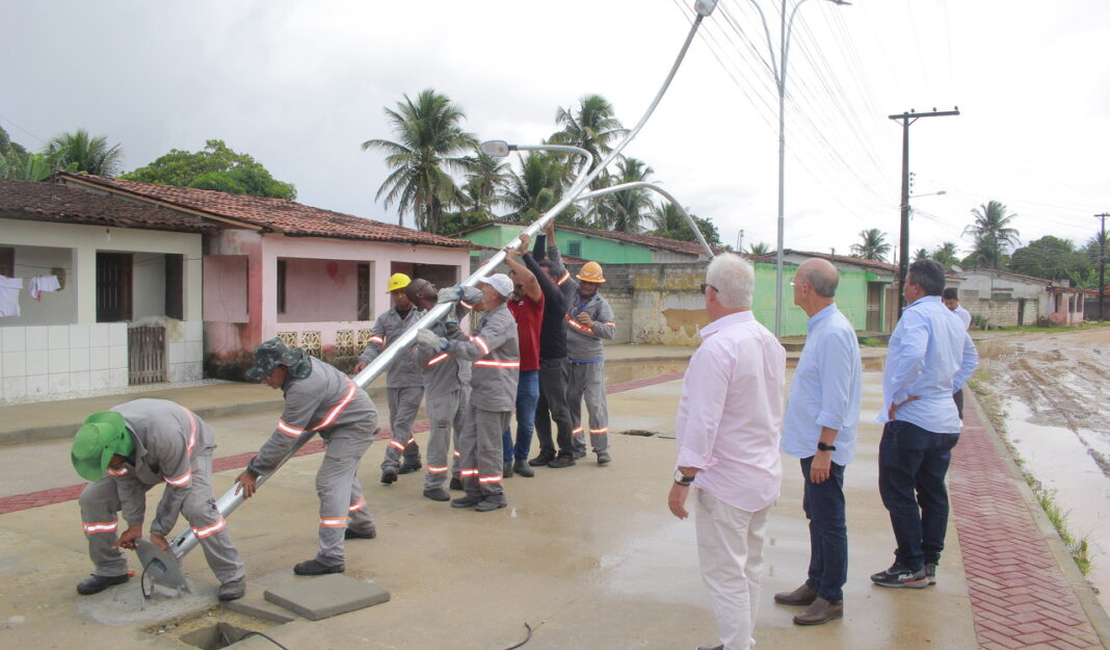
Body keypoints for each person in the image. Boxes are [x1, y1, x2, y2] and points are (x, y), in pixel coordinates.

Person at [667, 254, 786, 650]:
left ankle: (737, 644)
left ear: (711, 294)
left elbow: (702, 424)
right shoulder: (768, 341)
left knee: (725, 574)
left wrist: (683, 479)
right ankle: (740, 641)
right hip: (760, 476)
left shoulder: (718, 349)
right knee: (748, 567)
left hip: (728, 483)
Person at [71, 399, 246, 600]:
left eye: (104, 463)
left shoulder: (165, 435)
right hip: (143, 452)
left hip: (189, 450)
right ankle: (110, 569)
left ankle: (232, 576)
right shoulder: (102, 436)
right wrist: (134, 525)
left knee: (198, 509)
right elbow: (127, 483)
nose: (103, 467)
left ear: (115, 449)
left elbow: (179, 486)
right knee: (92, 499)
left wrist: (158, 531)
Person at [872, 260, 977, 589]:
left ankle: (910, 565)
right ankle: (929, 563)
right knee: (933, 492)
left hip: (914, 419)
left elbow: (914, 355)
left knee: (897, 491)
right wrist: (946, 386)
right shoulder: (952, 318)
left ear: (915, 286)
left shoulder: (916, 314)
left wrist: (900, 395)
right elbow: (971, 358)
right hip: (944, 420)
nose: (903, 287)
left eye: (905, 282)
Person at [236, 338, 379, 575]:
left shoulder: (303, 388)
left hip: (354, 426)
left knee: (330, 482)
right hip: (346, 422)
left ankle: (331, 557)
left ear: (283, 367)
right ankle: (363, 525)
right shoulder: (301, 366)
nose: (265, 380)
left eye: (268, 374)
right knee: (344, 477)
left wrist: (253, 470)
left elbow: (284, 438)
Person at [774, 259, 862, 626]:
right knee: (817, 516)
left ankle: (831, 596)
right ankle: (816, 582)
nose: (793, 287)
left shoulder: (834, 333)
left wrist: (825, 450)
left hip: (822, 449)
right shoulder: (822, 328)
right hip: (813, 446)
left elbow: (837, 399)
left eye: (795, 282)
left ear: (807, 288)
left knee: (829, 521)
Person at [417, 274, 519, 512]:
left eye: (485, 286)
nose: (481, 289)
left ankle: (494, 495)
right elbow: (469, 340)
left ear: (494, 292)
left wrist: (441, 344)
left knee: (489, 447)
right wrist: (456, 306)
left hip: (496, 393)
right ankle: (473, 491)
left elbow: (474, 350)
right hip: (480, 389)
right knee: (469, 443)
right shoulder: (489, 315)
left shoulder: (501, 320)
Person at [406, 278, 478, 501]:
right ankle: (434, 484)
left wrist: (457, 291)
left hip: (462, 382)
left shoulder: (450, 309)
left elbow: (477, 297)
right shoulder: (418, 324)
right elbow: (418, 362)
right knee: (440, 437)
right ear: (419, 294)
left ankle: (460, 475)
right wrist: (430, 343)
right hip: (441, 388)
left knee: (464, 435)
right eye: (428, 284)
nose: (434, 285)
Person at [546, 238, 616, 466]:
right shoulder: (572, 293)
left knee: (596, 407)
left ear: (598, 286)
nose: (586, 285)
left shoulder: (602, 305)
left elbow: (610, 333)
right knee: (571, 406)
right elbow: (558, 265)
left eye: (591, 283)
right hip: (569, 362)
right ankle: (577, 446)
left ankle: (602, 450)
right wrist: (551, 235)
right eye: (584, 281)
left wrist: (593, 325)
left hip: (592, 362)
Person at [356, 272, 425, 485]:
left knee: (402, 422)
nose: (399, 296)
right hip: (394, 378)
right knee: (398, 425)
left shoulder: (423, 316)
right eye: (395, 293)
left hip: (416, 378)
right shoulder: (385, 319)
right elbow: (374, 343)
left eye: (403, 292)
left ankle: (390, 464)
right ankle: (412, 457)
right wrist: (365, 360)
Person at [526, 224, 577, 468]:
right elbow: (535, 268)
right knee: (538, 411)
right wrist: (540, 234)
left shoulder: (560, 296)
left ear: (556, 280)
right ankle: (546, 450)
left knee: (559, 410)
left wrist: (529, 254)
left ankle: (567, 452)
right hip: (537, 361)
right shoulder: (536, 298)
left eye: (544, 278)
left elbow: (539, 266)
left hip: (555, 363)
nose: (539, 282)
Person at [501, 236, 544, 478]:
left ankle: (521, 459)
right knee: (504, 421)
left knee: (526, 421)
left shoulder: (535, 303)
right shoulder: (502, 306)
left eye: (519, 288)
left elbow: (530, 279)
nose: (517, 291)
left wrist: (511, 259)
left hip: (529, 371)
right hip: (506, 371)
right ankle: (506, 460)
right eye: (512, 287)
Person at [942, 287, 972, 419]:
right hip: (943, 352)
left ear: (957, 301)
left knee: (956, 385)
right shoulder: (941, 312)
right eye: (946, 303)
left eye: (951, 303)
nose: (948, 306)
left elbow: (959, 334)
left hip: (955, 353)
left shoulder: (963, 315)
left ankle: (958, 414)